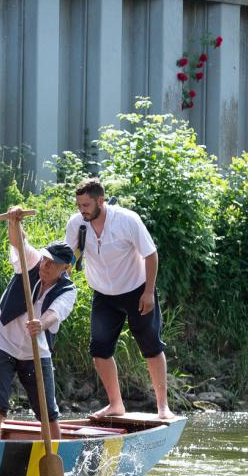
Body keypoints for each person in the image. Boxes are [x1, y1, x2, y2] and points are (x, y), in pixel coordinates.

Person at [65, 178, 175, 420]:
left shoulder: (127, 219)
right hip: (104, 294)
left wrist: (148, 292)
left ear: (100, 201)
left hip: (136, 290)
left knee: (152, 347)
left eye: (86, 205)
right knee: (99, 350)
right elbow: (70, 256)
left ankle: (163, 407)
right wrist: (64, 270)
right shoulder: (77, 224)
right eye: (78, 205)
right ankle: (116, 405)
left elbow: (151, 255)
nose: (81, 210)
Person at [0, 206, 77, 440]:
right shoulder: (31, 262)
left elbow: (56, 314)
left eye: (52, 263)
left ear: (65, 268)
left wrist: (41, 324)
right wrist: (14, 221)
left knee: (48, 413)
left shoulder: (68, 290)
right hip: (2, 341)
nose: (45, 265)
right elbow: (18, 242)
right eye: (45, 260)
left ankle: (57, 462)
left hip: (36, 353)